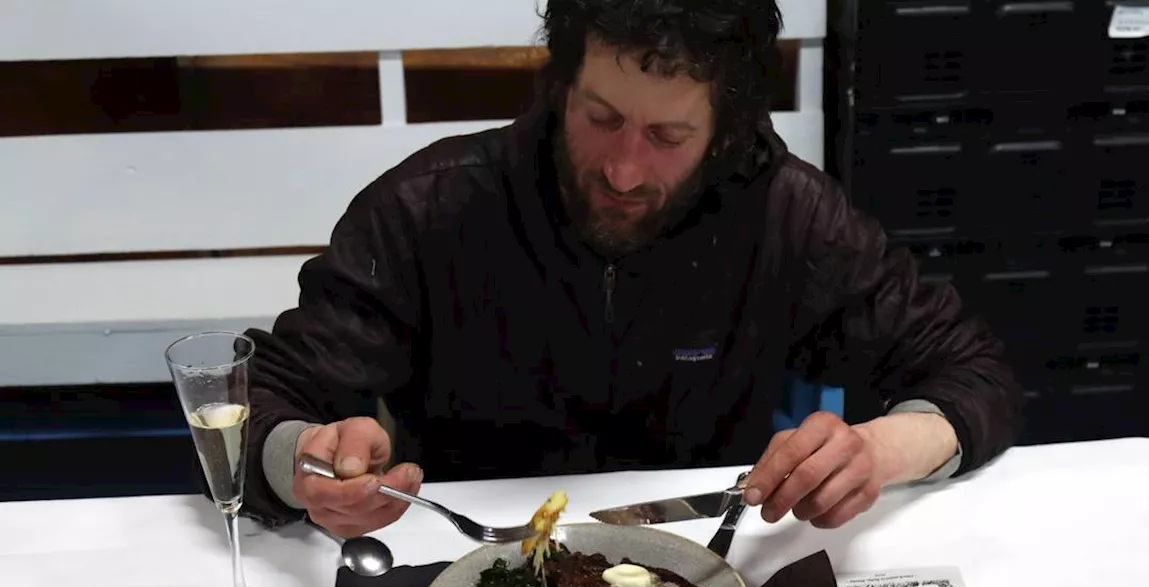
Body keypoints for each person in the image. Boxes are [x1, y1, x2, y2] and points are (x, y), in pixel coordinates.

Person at [238, 0, 1022, 539]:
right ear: (559, 84)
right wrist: (306, 462)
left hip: (704, 571)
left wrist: (874, 453)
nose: (621, 170)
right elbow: (262, 402)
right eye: (599, 118)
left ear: (725, 130)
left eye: (667, 136)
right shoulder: (430, 209)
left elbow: (970, 374)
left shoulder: (787, 215)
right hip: (470, 568)